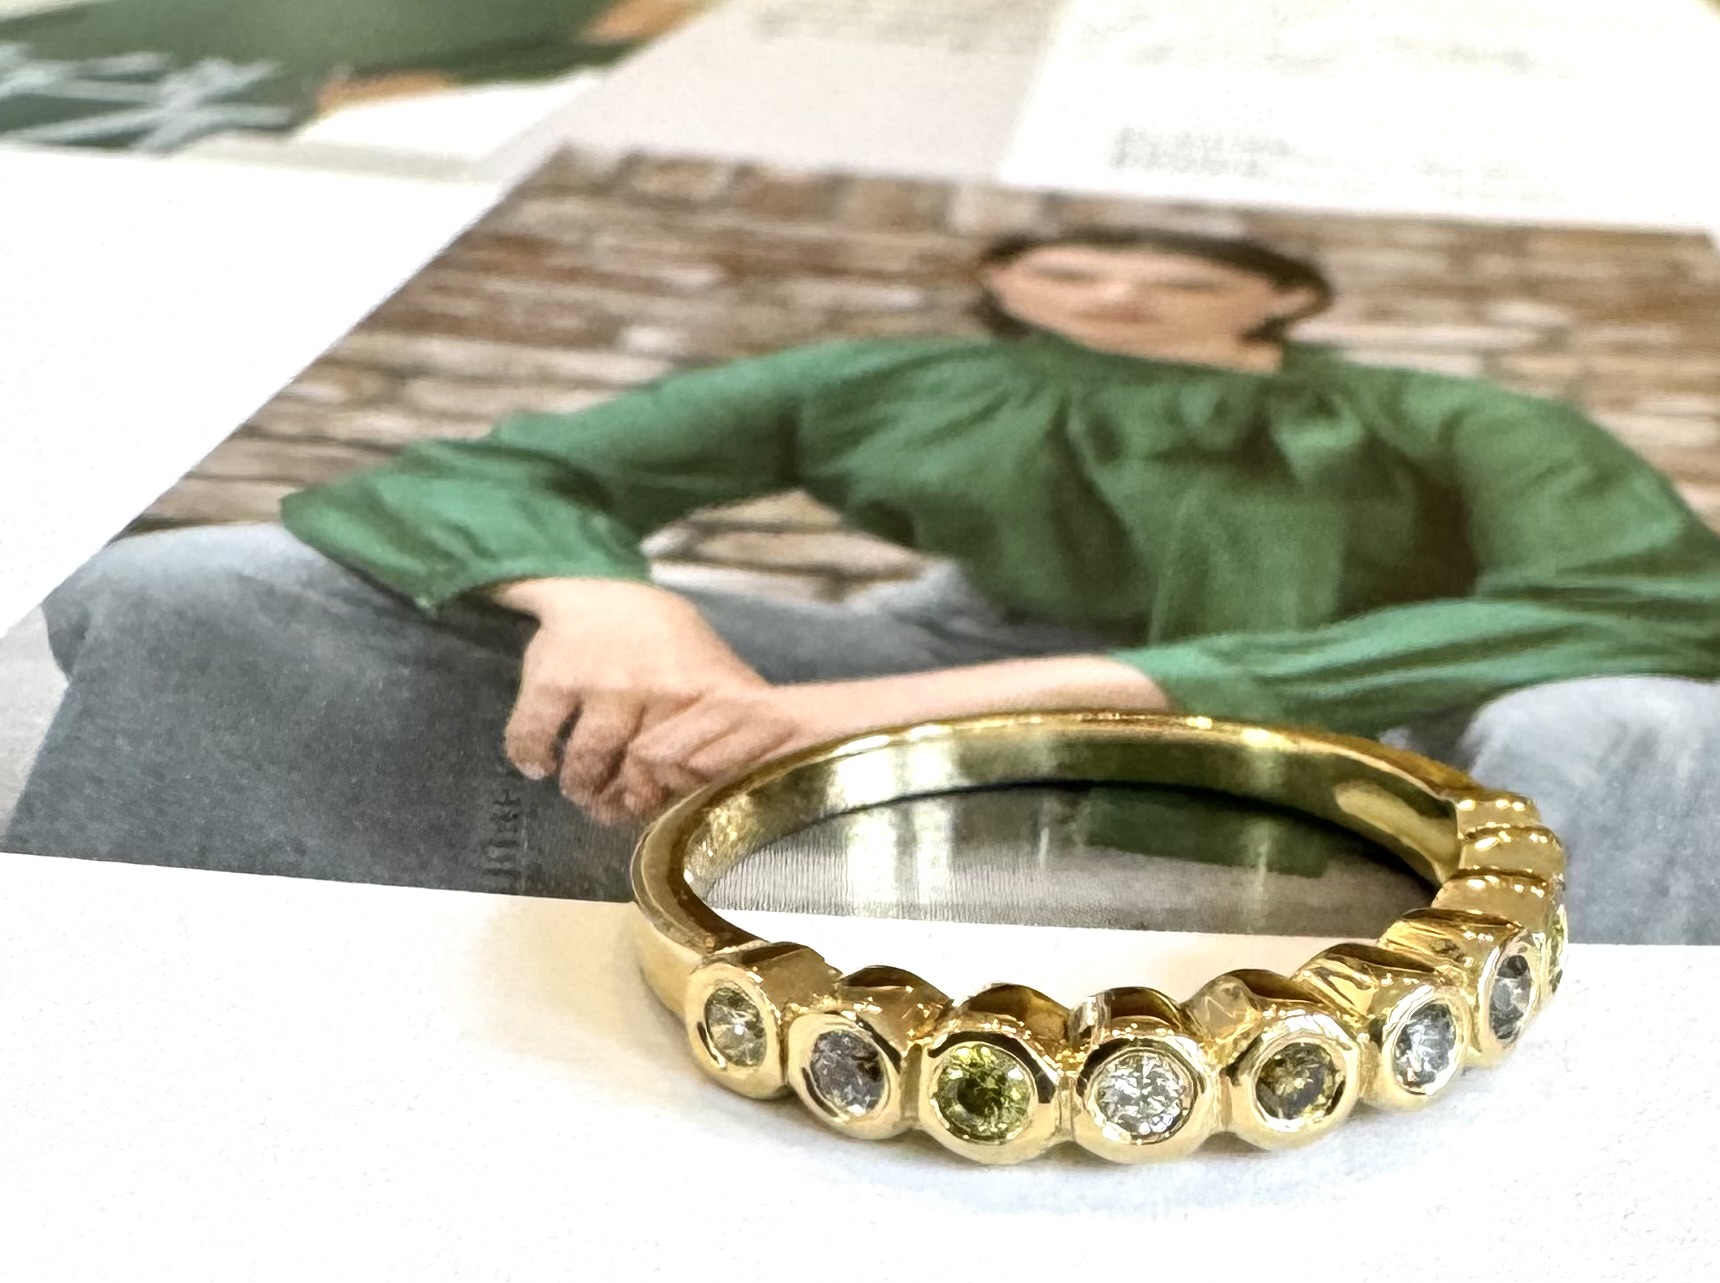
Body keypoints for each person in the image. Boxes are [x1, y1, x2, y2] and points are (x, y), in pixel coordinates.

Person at [8, 226, 1720, 943]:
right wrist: (607, 600)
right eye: (1071, 261)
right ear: (1006, 287)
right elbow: (505, 469)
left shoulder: (1453, 413)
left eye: (1171, 266)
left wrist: (957, 701)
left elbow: (1646, 600)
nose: (1119, 286)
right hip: (899, 659)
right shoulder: (889, 376)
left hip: (1362, 726)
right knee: (225, 587)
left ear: (1276, 297)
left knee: (1632, 723)